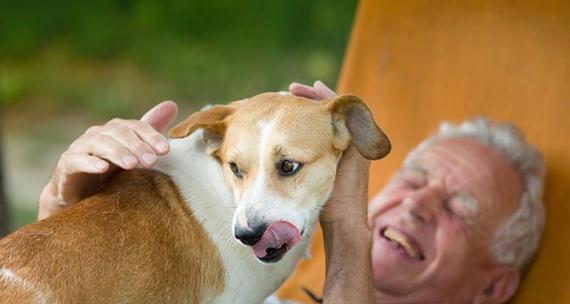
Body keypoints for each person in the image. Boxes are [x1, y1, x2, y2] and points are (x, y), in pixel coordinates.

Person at [38, 81, 545, 303]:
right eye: (413, 179)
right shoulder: (244, 277)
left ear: (492, 288)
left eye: (459, 208)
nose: (415, 203)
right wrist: (65, 213)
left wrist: (348, 227)